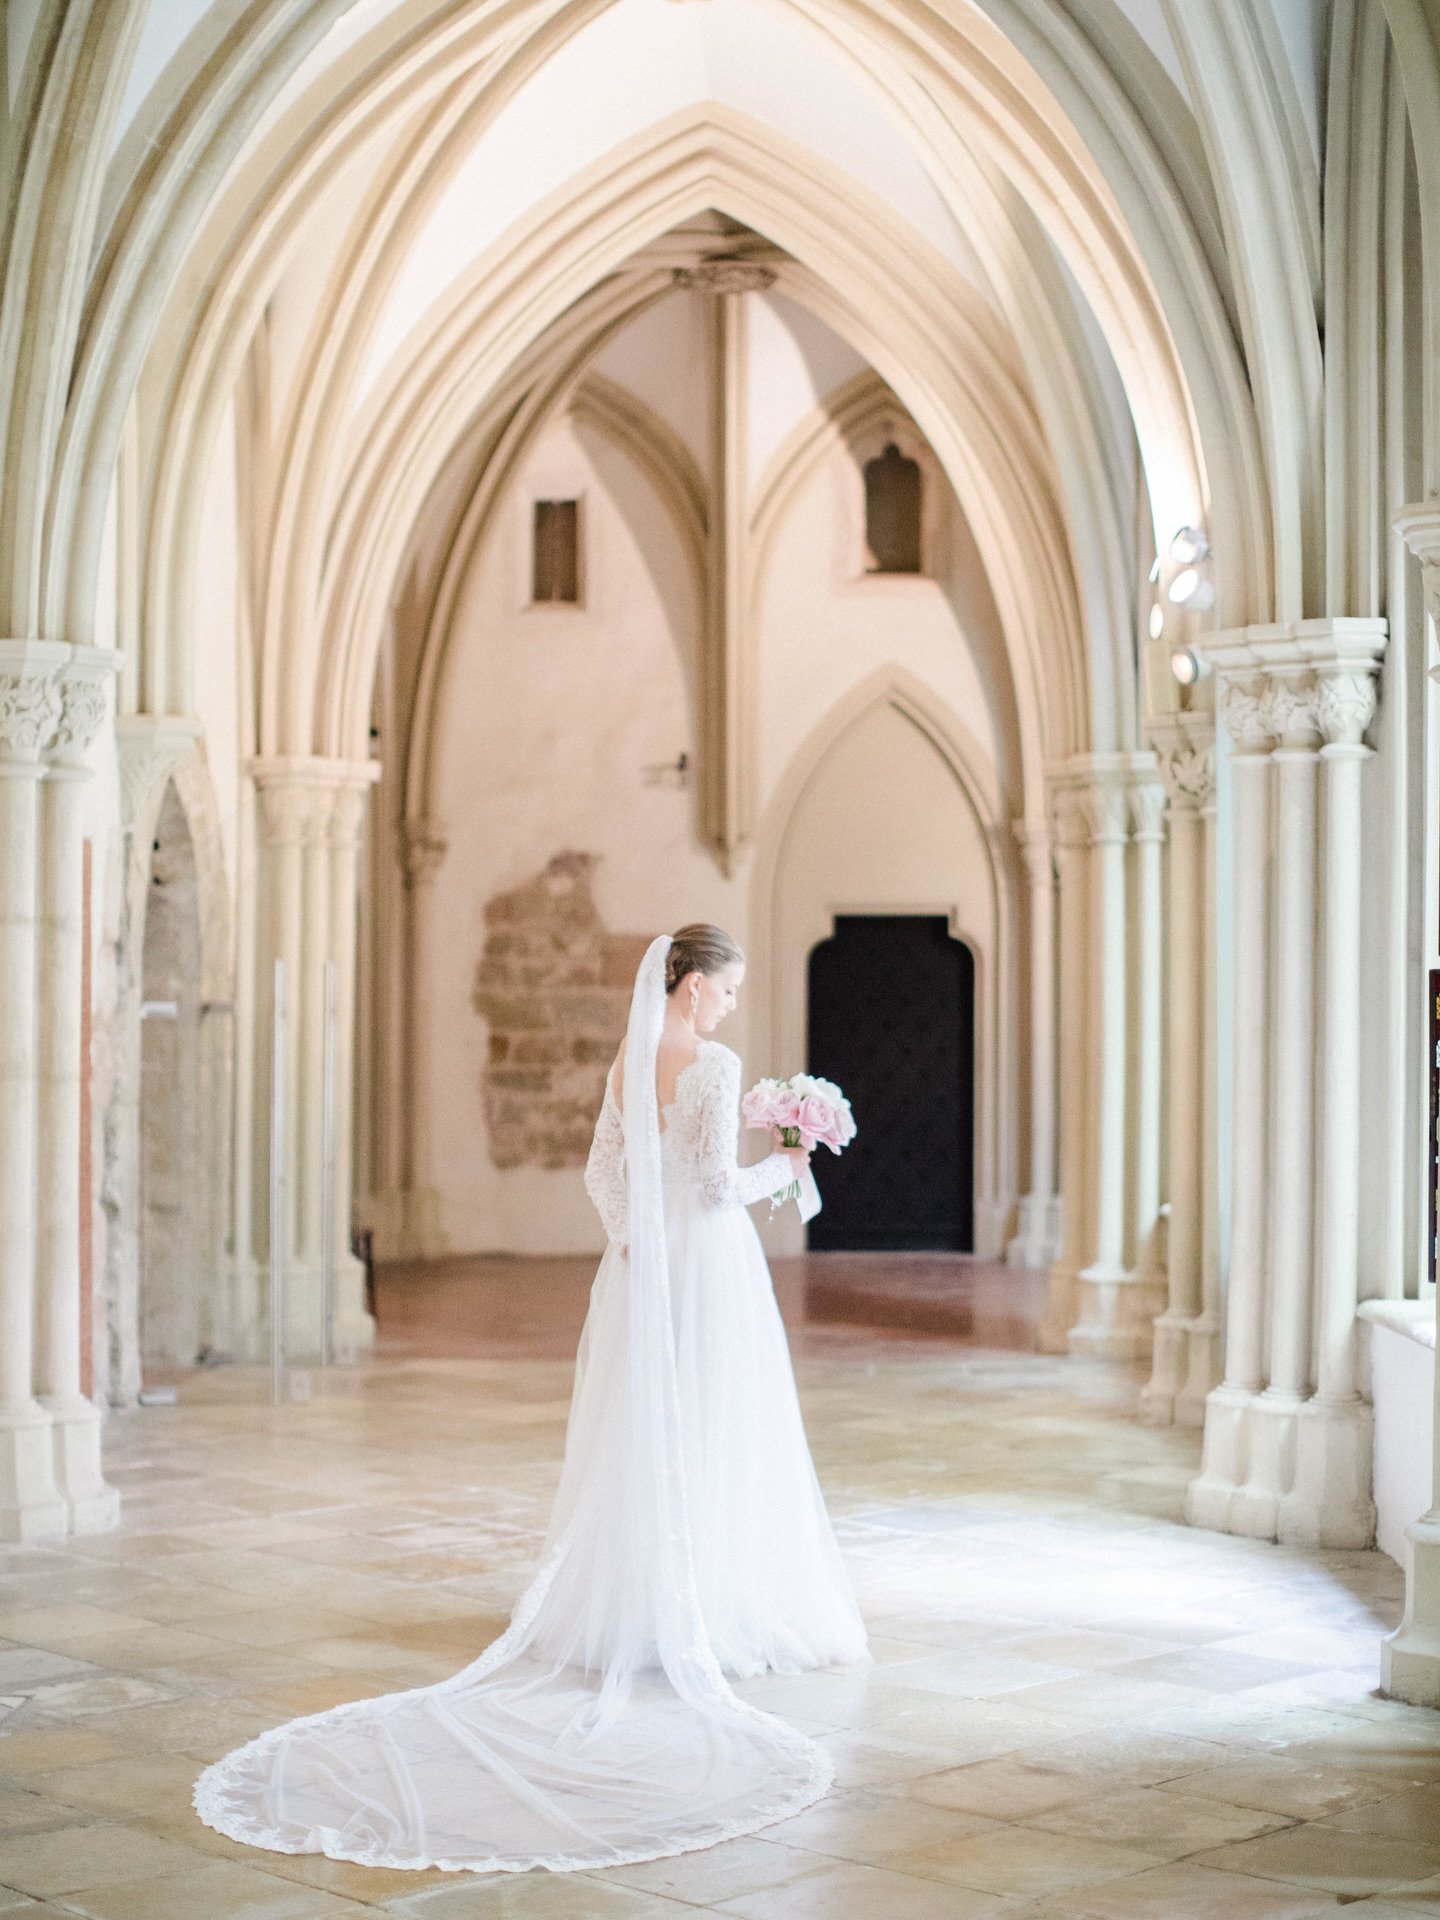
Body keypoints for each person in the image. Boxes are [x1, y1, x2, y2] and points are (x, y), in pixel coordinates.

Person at [194, 926, 866, 1874]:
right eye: (722, 990)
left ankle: (639, 1601)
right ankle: (712, 1605)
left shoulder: (632, 1059)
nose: (725, 1007)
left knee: (646, 1430)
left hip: (643, 1269)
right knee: (718, 1422)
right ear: (689, 988)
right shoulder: (713, 1067)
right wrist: (788, 1163)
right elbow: (718, 1185)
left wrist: (637, 1245)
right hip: (709, 1268)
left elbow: (602, 1171)